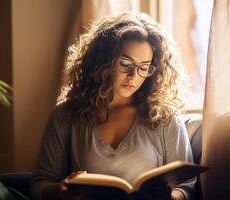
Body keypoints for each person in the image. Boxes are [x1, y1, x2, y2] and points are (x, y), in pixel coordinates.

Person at [30, 12, 195, 200]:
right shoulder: (67, 115)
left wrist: (171, 197)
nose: (134, 76)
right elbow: (39, 184)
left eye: (144, 67)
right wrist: (60, 190)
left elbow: (187, 186)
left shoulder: (165, 117)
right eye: (125, 64)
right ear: (103, 62)